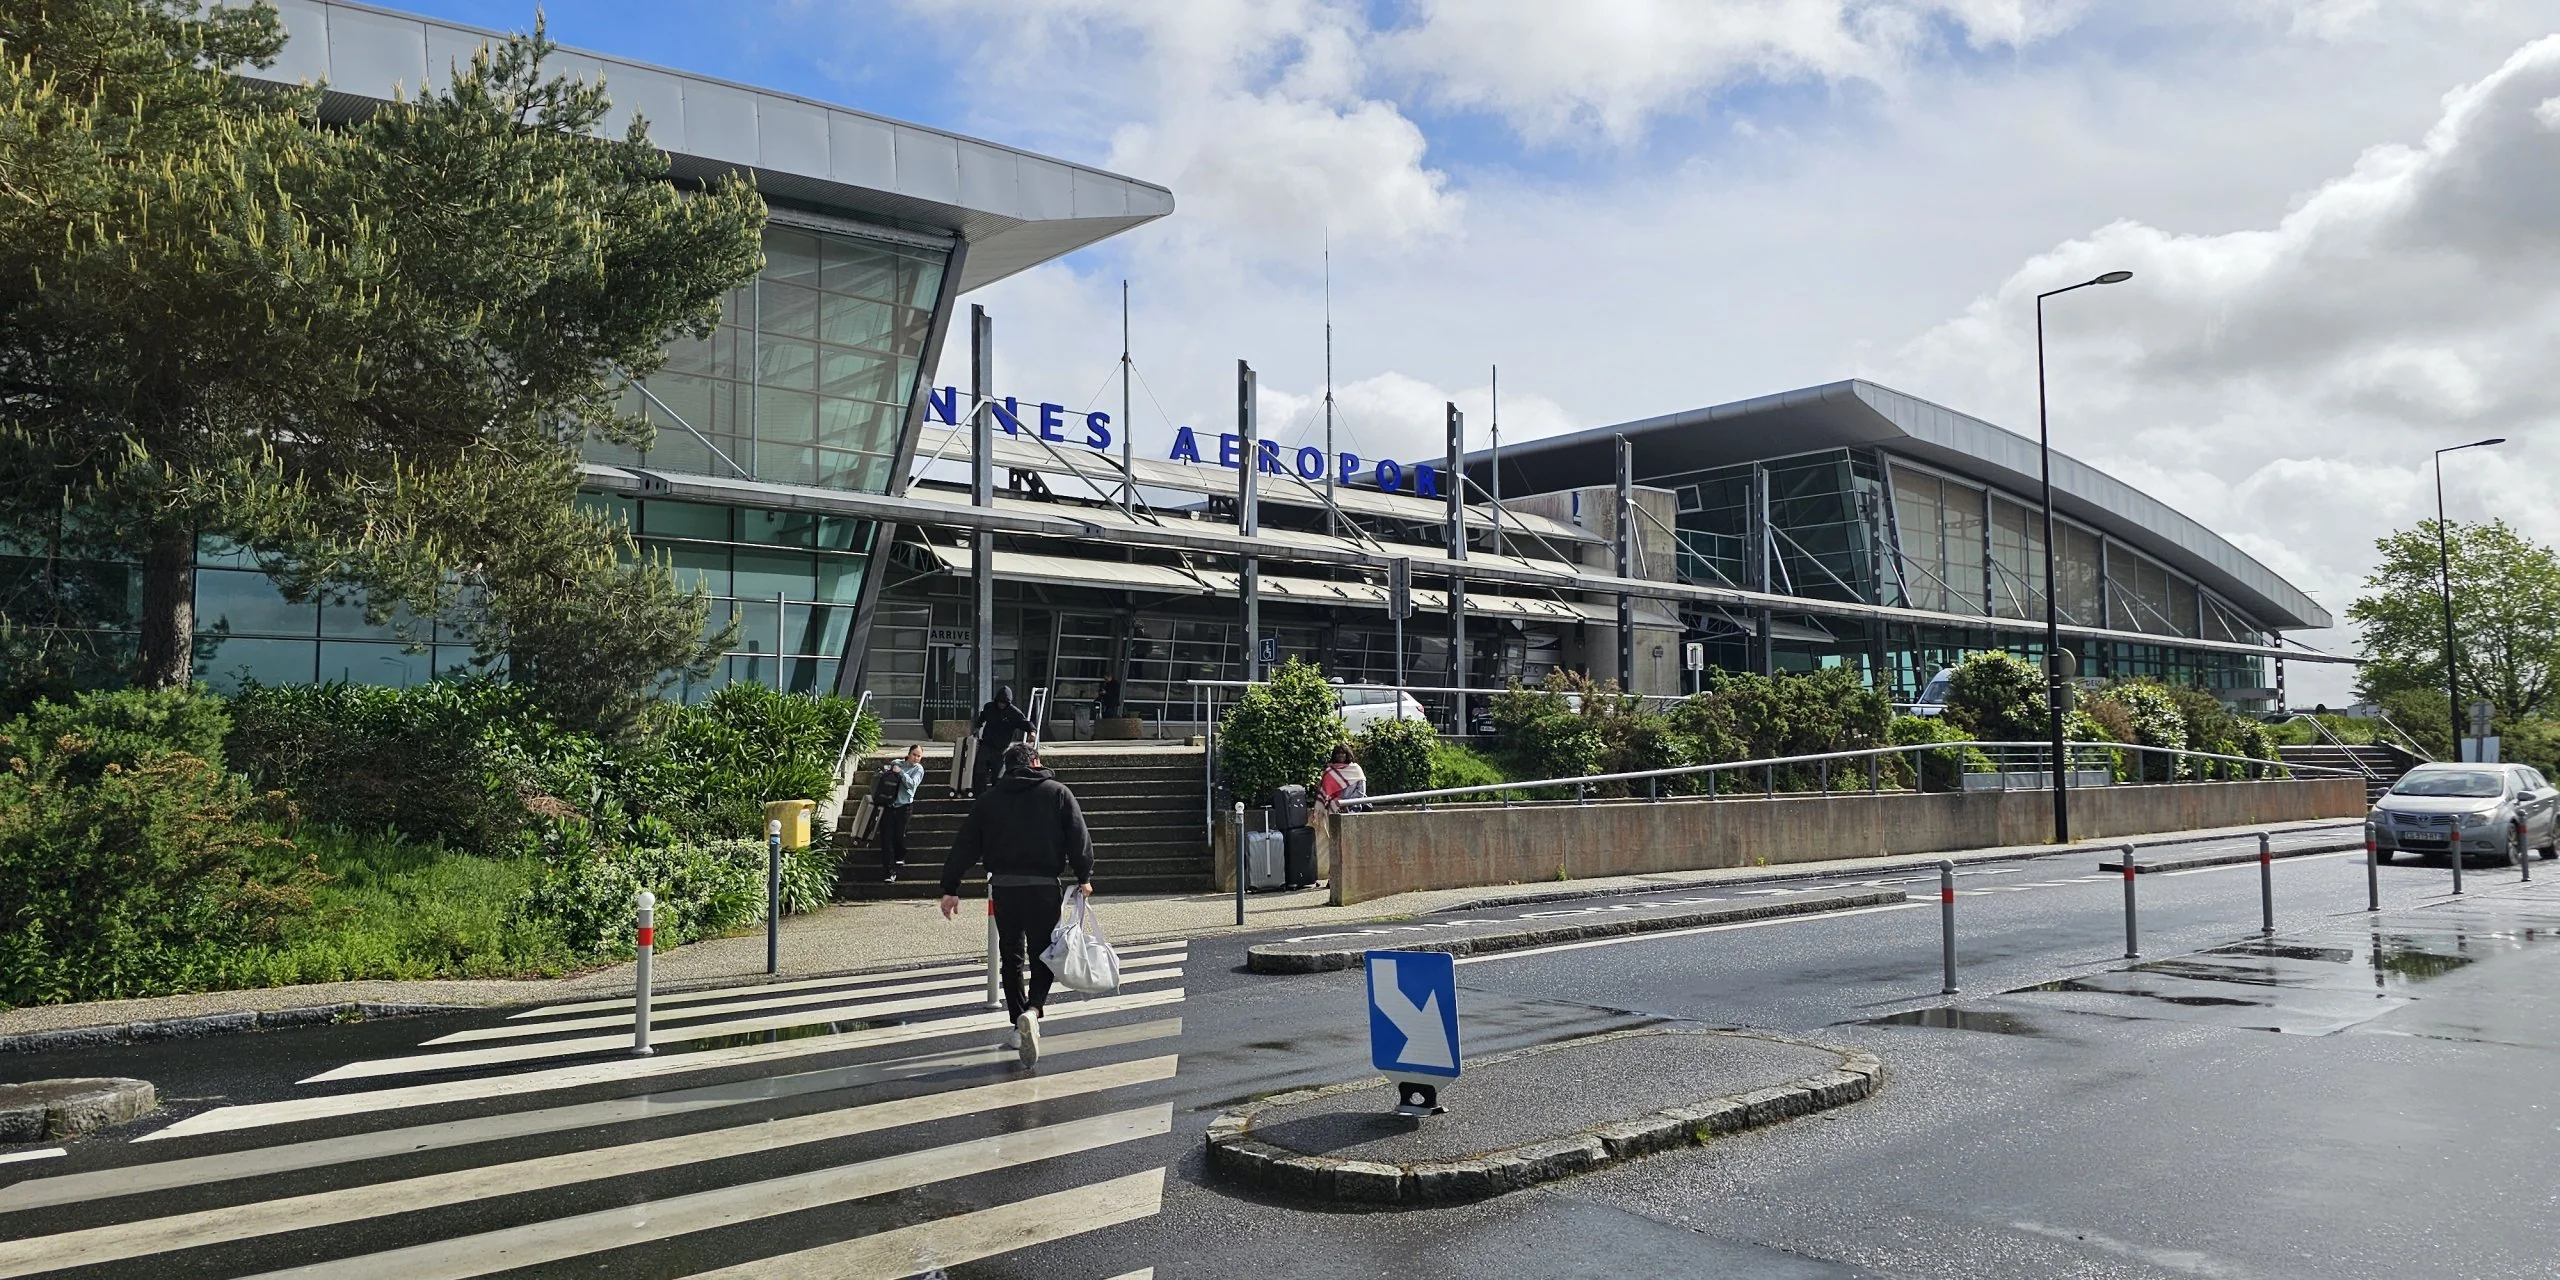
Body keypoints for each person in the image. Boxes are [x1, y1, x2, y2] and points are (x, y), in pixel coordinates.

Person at [940, 741, 1095, 1067]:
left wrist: (951, 887)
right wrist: (1084, 876)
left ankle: (1016, 1024)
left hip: (1005, 888)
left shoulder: (989, 800)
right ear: (1035, 761)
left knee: (1010, 955)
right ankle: (1033, 1010)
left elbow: (965, 844)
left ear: (1006, 767)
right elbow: (1078, 836)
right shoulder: (1057, 792)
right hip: (1043, 888)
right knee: (1043, 953)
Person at [872, 744, 926, 881]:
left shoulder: (918, 769)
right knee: (886, 838)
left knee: (899, 835)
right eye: (914, 754)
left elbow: (912, 784)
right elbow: (893, 765)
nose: (916, 758)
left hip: (905, 806)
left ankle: (900, 855)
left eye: (919, 756)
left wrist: (901, 772)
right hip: (890, 805)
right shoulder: (898, 763)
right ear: (908, 754)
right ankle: (889, 872)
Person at [970, 685, 1033, 794]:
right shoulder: (989, 707)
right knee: (979, 771)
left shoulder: (1014, 713)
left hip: (1001, 748)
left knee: (998, 776)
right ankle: (979, 796)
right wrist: (977, 727)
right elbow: (982, 717)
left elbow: (1025, 723)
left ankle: (996, 797)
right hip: (987, 744)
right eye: (999, 702)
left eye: (1003, 703)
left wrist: (1032, 732)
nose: (1001, 705)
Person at [1318, 743, 1367, 814]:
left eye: (1343, 753)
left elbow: (1361, 791)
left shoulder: (1356, 769)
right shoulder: (1330, 771)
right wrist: (1337, 803)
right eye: (1338, 753)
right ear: (1334, 756)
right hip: (1334, 809)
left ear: (1347, 754)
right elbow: (1325, 793)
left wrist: (1346, 803)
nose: (1340, 755)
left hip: (1353, 808)